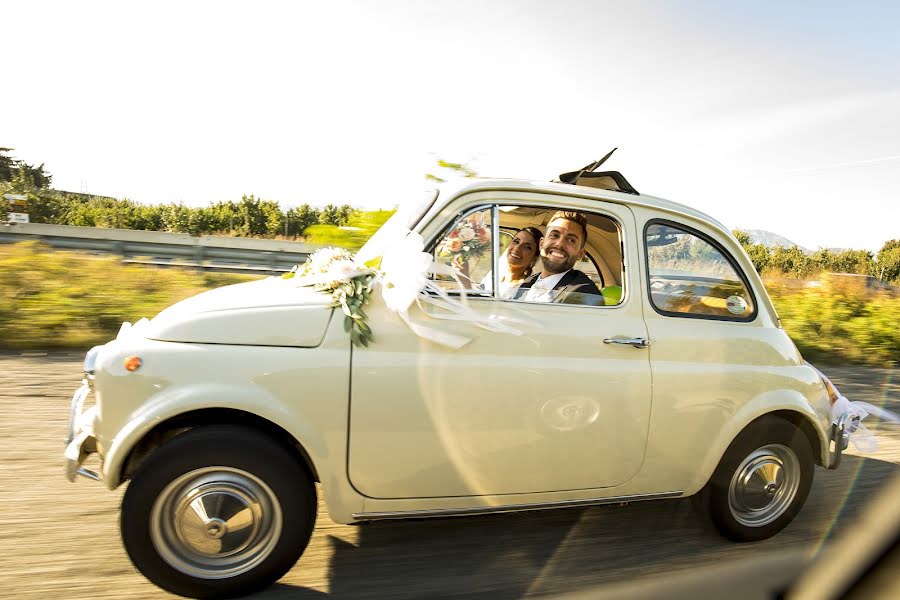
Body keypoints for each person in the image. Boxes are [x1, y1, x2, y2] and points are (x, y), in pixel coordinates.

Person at [513, 210, 603, 303]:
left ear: (580, 254)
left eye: (571, 240)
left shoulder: (585, 294)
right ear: (541, 244)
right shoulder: (529, 282)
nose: (559, 244)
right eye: (554, 235)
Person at [481, 227, 543, 297]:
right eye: (516, 241)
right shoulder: (492, 275)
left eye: (527, 247)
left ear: (534, 258)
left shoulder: (524, 291)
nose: (517, 248)